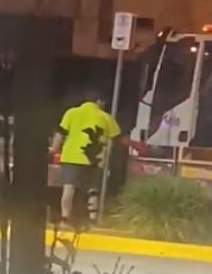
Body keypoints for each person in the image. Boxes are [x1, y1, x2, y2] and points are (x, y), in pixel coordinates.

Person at [49, 89, 144, 229]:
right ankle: (93, 221)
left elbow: (60, 133)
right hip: (94, 158)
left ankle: (65, 219)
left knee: (69, 188)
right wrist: (136, 145)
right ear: (99, 101)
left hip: (71, 157)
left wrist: (53, 149)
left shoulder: (71, 113)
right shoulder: (105, 117)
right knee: (93, 190)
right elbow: (119, 138)